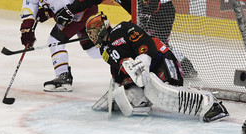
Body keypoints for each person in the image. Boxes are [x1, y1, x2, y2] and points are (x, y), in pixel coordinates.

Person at [54, 0, 197, 78]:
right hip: (146, 12)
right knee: (153, 41)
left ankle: (175, 70)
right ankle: (185, 68)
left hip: (162, 10)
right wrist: (69, 10)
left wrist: (142, 21)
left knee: (153, 41)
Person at [86, 12, 229, 122]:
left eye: (92, 31)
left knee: (171, 89)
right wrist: (117, 86)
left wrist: (142, 61)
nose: (91, 36)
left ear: (101, 27)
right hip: (146, 71)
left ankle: (209, 103)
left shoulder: (123, 28)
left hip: (160, 58)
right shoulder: (104, 50)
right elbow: (117, 68)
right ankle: (142, 102)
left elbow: (145, 45)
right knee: (139, 96)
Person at [20, 0, 101, 92]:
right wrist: (27, 30)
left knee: (55, 40)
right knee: (92, 49)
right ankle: (121, 55)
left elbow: (64, 17)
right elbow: (30, 9)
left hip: (84, 10)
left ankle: (64, 78)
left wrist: (45, 13)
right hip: (77, 10)